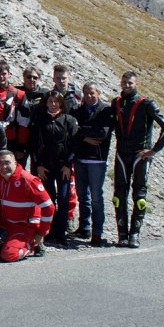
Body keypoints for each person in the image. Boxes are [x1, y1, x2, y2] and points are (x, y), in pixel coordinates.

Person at [102, 71, 164, 248]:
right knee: (119, 196)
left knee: (140, 196)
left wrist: (153, 150)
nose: (127, 85)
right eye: (124, 82)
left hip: (140, 156)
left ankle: (134, 235)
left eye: (130, 83)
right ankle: (122, 235)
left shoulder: (146, 103)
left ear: (137, 84)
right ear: (120, 82)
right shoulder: (116, 102)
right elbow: (107, 127)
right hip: (121, 153)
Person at [31, 89, 78, 249]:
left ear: (61, 103)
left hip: (63, 166)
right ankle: (49, 230)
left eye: (56, 102)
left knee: (64, 198)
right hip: (45, 166)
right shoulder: (39, 120)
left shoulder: (69, 120)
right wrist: (38, 165)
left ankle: (61, 231)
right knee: (48, 199)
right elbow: (35, 145)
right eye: (50, 102)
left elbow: (73, 145)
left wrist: (67, 164)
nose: (52, 105)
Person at [0, 149, 52, 262]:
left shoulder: (29, 180)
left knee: (8, 255)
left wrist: (41, 232)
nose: (3, 166)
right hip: (5, 225)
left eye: (7, 162)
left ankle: (32, 244)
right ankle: (4, 242)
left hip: (24, 226)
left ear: (15, 163)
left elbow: (48, 207)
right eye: (0, 163)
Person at [72, 82, 112, 246]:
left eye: (92, 93)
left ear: (99, 93)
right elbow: (72, 130)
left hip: (97, 159)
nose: (89, 96)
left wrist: (81, 131)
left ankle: (97, 232)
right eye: (86, 93)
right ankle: (84, 227)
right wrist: (84, 135)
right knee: (82, 196)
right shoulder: (78, 110)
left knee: (96, 197)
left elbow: (102, 133)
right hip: (80, 158)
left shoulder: (106, 110)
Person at [0, 60, 28, 165]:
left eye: (4, 74)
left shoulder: (18, 94)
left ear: (9, 74)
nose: (1, 77)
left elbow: (24, 122)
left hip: (11, 138)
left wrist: (21, 146)